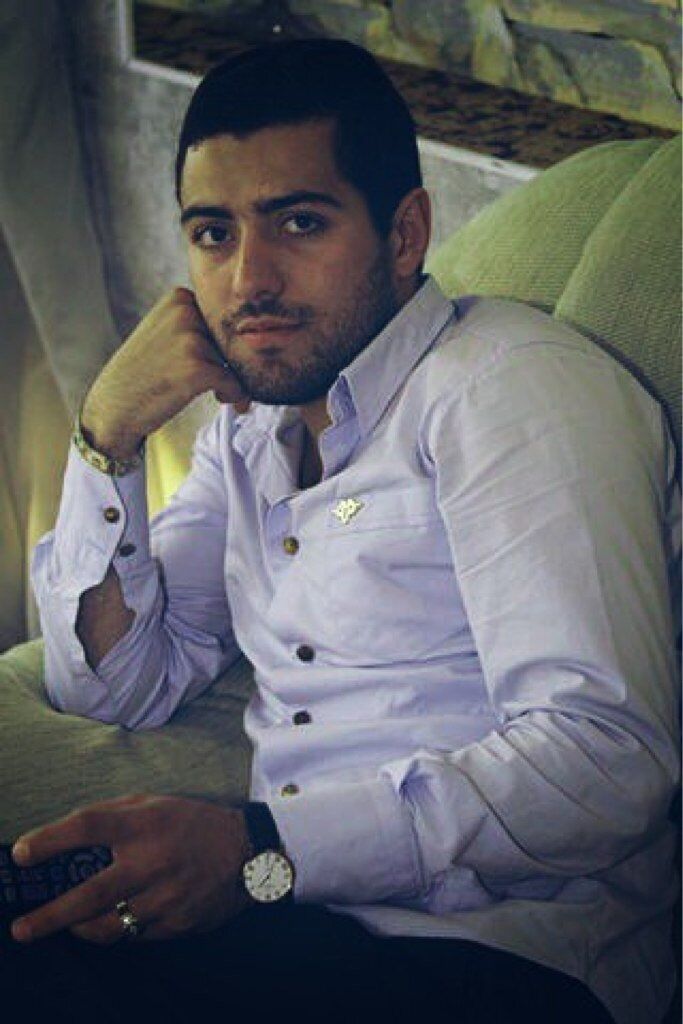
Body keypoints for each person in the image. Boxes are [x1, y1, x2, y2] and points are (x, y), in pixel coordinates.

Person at [5, 38, 679, 1024]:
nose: (248, 281)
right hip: (288, 923)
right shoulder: (253, 427)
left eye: (299, 223)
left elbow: (603, 759)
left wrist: (258, 849)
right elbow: (116, 686)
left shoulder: (511, 394)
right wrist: (107, 433)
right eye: (213, 234)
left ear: (404, 235)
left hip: (489, 963)